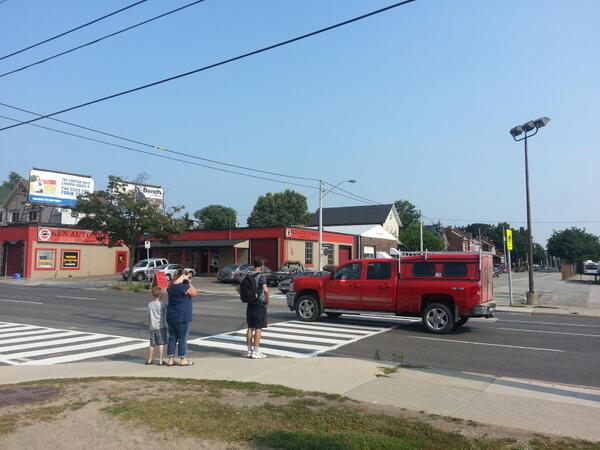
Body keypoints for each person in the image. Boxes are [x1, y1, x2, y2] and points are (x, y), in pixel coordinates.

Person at [166, 268, 198, 366]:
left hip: (171, 315)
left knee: (172, 337)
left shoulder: (170, 286)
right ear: (183, 275)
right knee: (183, 337)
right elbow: (194, 293)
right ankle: (183, 359)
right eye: (187, 275)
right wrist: (189, 283)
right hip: (183, 316)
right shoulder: (184, 286)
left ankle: (170, 360)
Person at [243, 256, 269, 359]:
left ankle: (249, 350)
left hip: (250, 303)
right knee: (258, 327)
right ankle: (256, 351)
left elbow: (239, 288)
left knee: (250, 327)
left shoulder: (248, 275)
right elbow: (265, 290)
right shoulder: (261, 276)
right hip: (259, 304)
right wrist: (267, 299)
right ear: (261, 265)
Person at [146, 286, 167, 365]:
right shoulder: (163, 304)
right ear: (161, 295)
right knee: (161, 344)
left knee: (152, 344)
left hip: (152, 326)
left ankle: (149, 360)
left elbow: (148, 315)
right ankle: (161, 360)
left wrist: (150, 323)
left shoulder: (150, 304)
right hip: (161, 326)